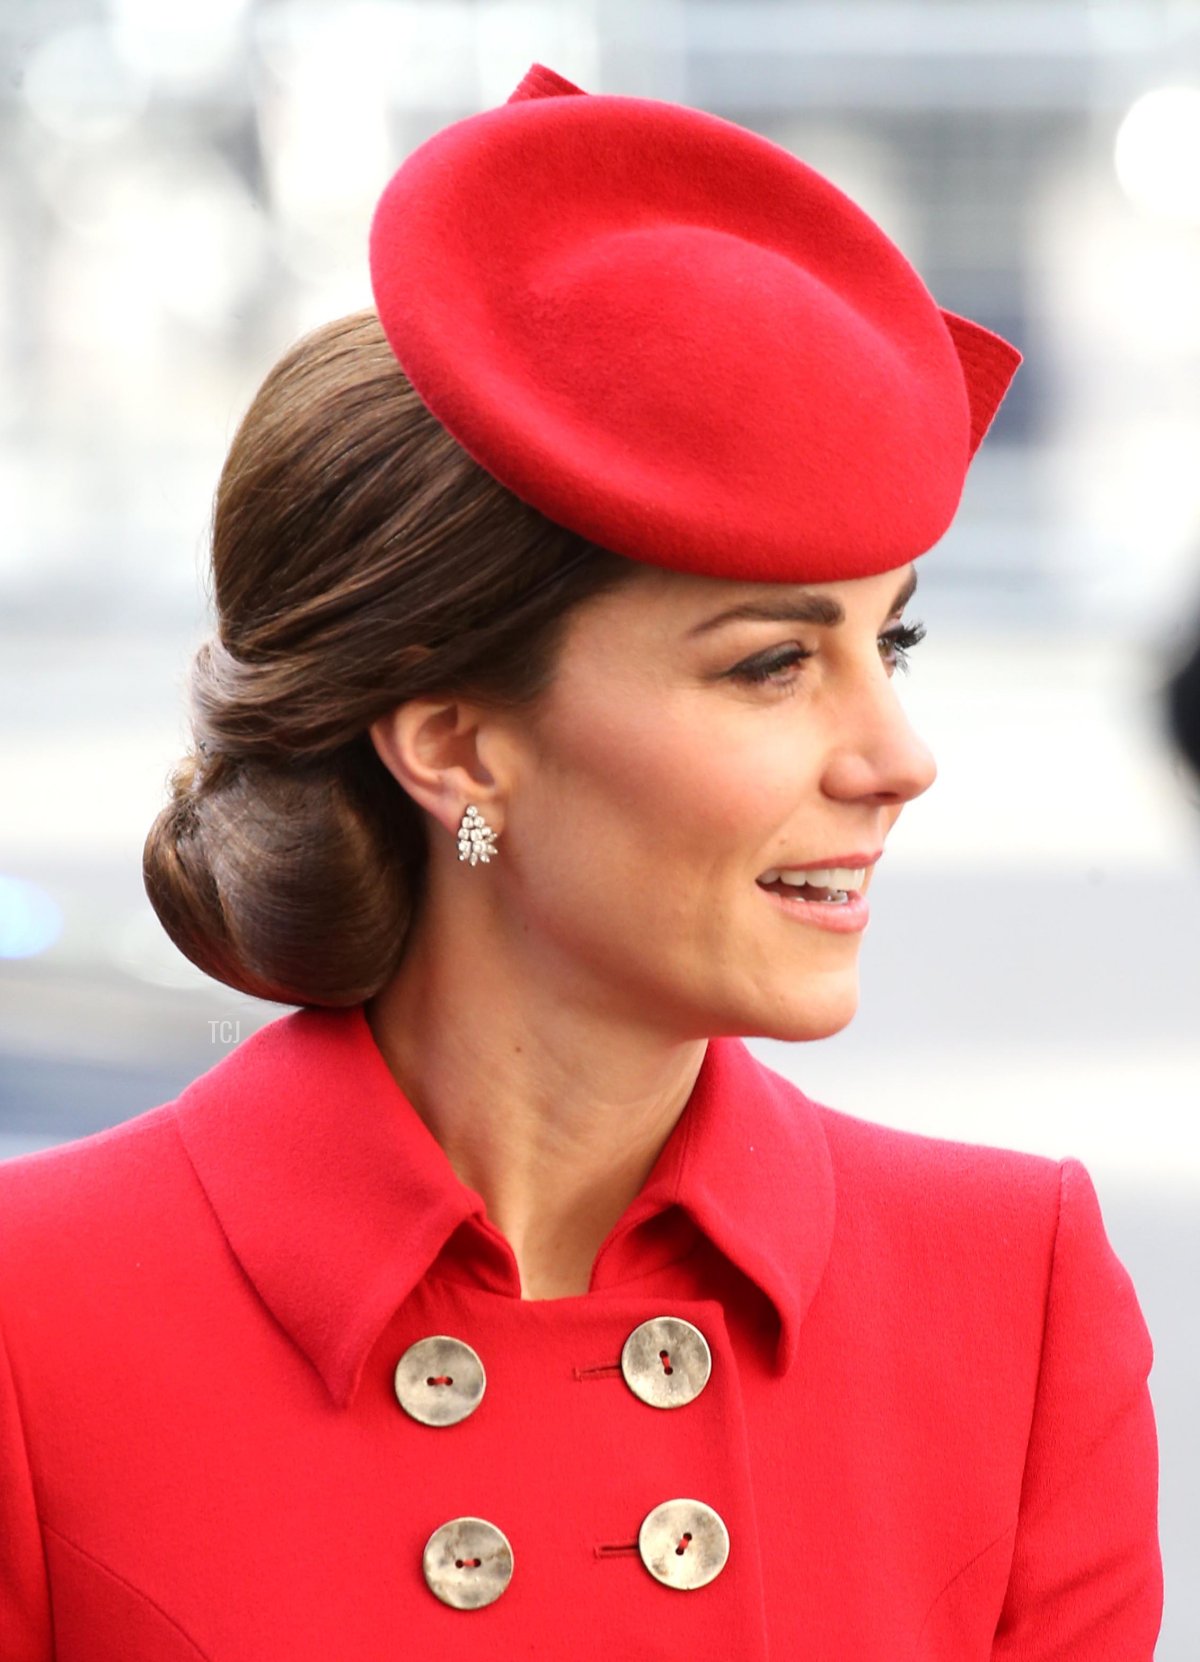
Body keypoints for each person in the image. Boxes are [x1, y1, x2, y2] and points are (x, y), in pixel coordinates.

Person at [0, 62, 1161, 1660]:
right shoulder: (38, 1322)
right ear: (457, 741)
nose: (897, 758)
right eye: (772, 662)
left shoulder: (1009, 1296)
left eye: (889, 640)